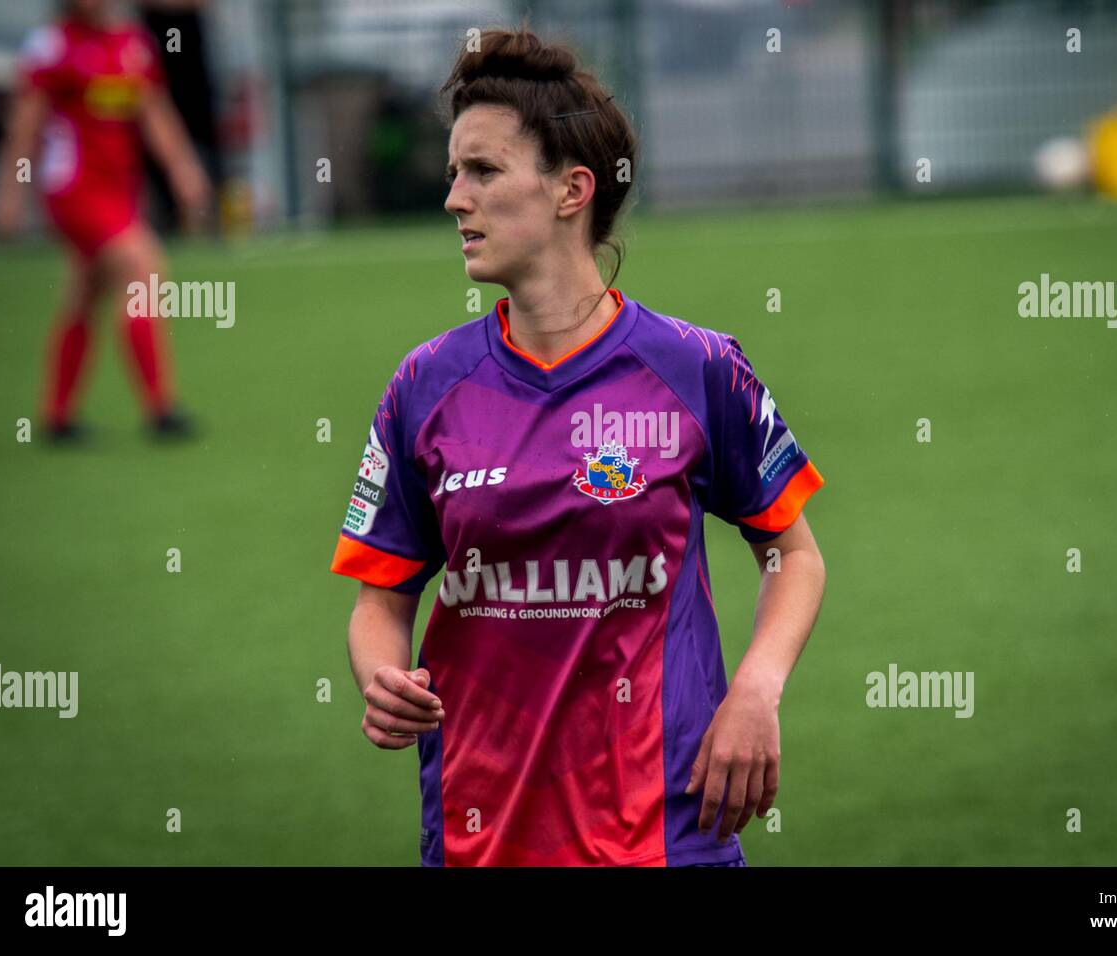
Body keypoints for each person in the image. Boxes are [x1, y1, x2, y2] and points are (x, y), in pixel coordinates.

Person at [331, 27, 827, 867]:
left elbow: (794, 554)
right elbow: (382, 598)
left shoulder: (697, 367)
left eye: (483, 171)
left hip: (669, 827)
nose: (455, 197)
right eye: (455, 172)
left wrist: (755, 689)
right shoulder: (425, 386)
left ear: (572, 190)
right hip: (480, 828)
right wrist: (381, 676)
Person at [0, 0, 210, 442]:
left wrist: (184, 169)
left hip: (119, 191)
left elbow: (154, 113)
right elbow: (26, 124)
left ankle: (58, 416)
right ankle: (161, 408)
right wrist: (10, 193)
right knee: (143, 269)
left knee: (86, 290)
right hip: (72, 189)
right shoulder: (52, 46)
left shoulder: (131, 45)